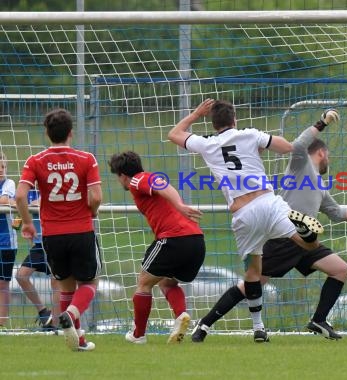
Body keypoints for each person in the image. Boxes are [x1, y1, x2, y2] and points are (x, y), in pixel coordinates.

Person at [190, 109, 347, 342]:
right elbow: (298, 145)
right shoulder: (301, 163)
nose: (329, 159)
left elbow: (337, 213)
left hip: (305, 238)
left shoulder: (318, 183)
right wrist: (323, 121)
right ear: (320, 152)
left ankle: (318, 320)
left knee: (340, 270)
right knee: (250, 284)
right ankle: (205, 324)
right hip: (284, 237)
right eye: (328, 155)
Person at [168, 98, 323, 342]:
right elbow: (286, 147)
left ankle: (259, 328)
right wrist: (259, 146)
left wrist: (196, 114)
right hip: (269, 204)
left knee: (252, 272)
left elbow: (174, 134)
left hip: (243, 215)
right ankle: (301, 228)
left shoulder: (207, 143)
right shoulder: (249, 134)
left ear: (214, 122)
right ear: (234, 120)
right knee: (309, 244)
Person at [15, 108, 102, 352]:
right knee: (90, 283)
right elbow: (96, 197)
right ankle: (71, 313)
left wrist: (28, 223)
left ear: (47, 132)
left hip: (51, 235)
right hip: (81, 230)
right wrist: (92, 211)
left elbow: (21, 195)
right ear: (71, 133)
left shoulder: (35, 160)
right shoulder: (86, 159)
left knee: (65, 287)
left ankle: (77, 340)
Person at [108, 151, 206, 344]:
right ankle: (181, 316)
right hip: (196, 240)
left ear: (122, 175)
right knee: (167, 282)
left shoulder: (138, 180)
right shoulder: (146, 178)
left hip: (174, 238)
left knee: (144, 282)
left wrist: (179, 205)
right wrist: (179, 205)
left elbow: (163, 186)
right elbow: (163, 186)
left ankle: (138, 335)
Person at [16, 188, 60, 332]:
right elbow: (18, 205)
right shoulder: (28, 192)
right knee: (21, 276)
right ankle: (43, 312)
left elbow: (43, 203)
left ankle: (55, 322)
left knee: (56, 281)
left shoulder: (51, 187)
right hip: (39, 244)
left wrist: (30, 205)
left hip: (54, 240)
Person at [0, 152, 18, 329]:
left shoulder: (9, 183)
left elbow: (5, 200)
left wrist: (9, 202)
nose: (1, 170)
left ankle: (2, 322)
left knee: (3, 282)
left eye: (3, 167)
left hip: (6, 243)